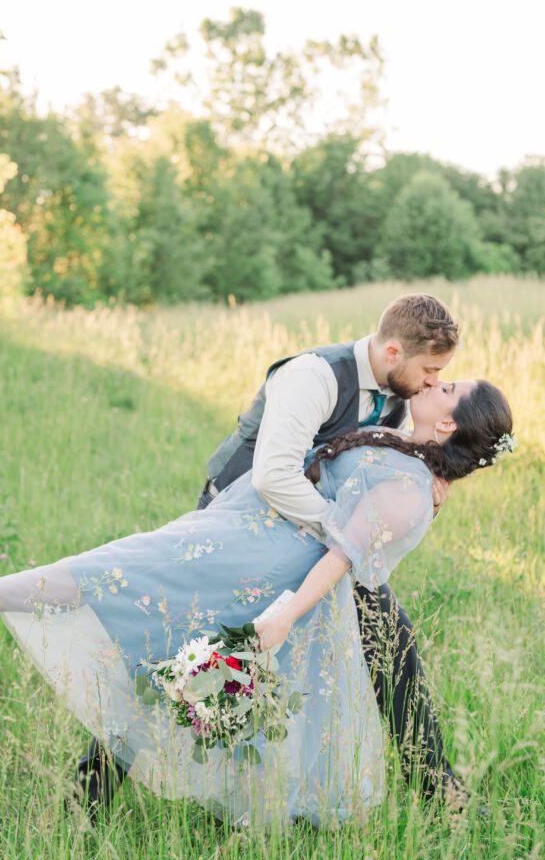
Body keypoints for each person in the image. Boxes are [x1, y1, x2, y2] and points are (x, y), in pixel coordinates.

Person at [0, 374, 514, 829]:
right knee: (156, 622)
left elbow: (340, 561)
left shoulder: (410, 490)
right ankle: (98, 792)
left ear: (449, 424)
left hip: (261, 566)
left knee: (128, 584)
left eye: (449, 386)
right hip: (244, 541)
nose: (435, 380)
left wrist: (282, 618)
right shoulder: (407, 449)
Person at [81, 292, 465, 811]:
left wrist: (434, 474)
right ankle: (88, 793)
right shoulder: (314, 375)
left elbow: (372, 471)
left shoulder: (400, 393)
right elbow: (273, 476)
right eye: (431, 369)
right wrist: (343, 537)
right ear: (394, 351)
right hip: (238, 529)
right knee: (186, 659)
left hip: (314, 538)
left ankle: (440, 790)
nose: (432, 382)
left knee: (390, 638)